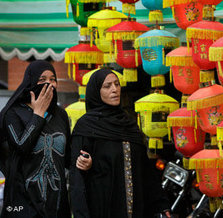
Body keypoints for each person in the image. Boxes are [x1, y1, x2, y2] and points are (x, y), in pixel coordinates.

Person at [69, 68, 170, 218]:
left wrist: (160, 204)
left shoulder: (129, 124)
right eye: (107, 86)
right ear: (96, 91)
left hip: (135, 208)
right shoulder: (86, 127)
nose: (114, 89)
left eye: (117, 84)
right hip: (102, 208)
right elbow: (77, 178)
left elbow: (145, 169)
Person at [0, 60, 73, 217]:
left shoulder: (60, 115)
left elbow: (67, 157)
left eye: (53, 79)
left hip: (56, 202)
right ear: (31, 83)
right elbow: (21, 146)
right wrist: (38, 114)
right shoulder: (13, 113)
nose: (49, 84)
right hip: (23, 201)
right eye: (42, 80)